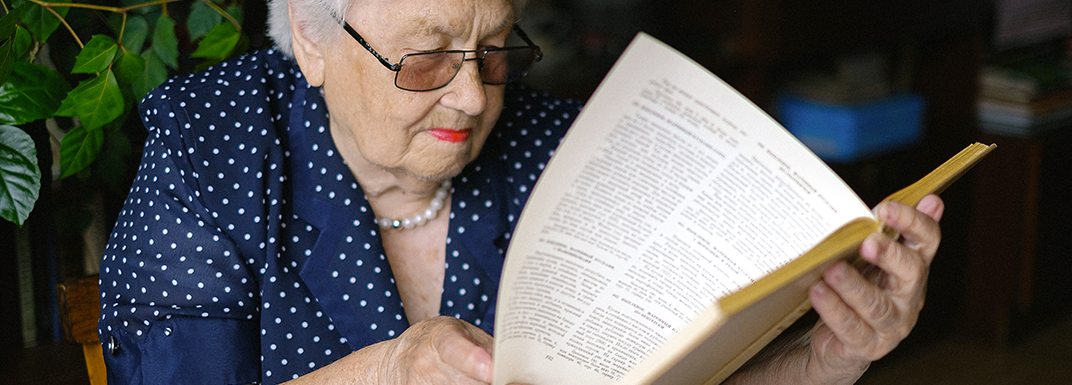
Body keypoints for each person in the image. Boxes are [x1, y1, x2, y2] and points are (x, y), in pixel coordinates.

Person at [97, 0, 946, 383]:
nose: (472, 98)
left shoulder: (557, 144)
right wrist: (387, 372)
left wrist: (825, 357)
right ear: (314, 43)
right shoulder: (211, 147)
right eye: (426, 57)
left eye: (495, 50)